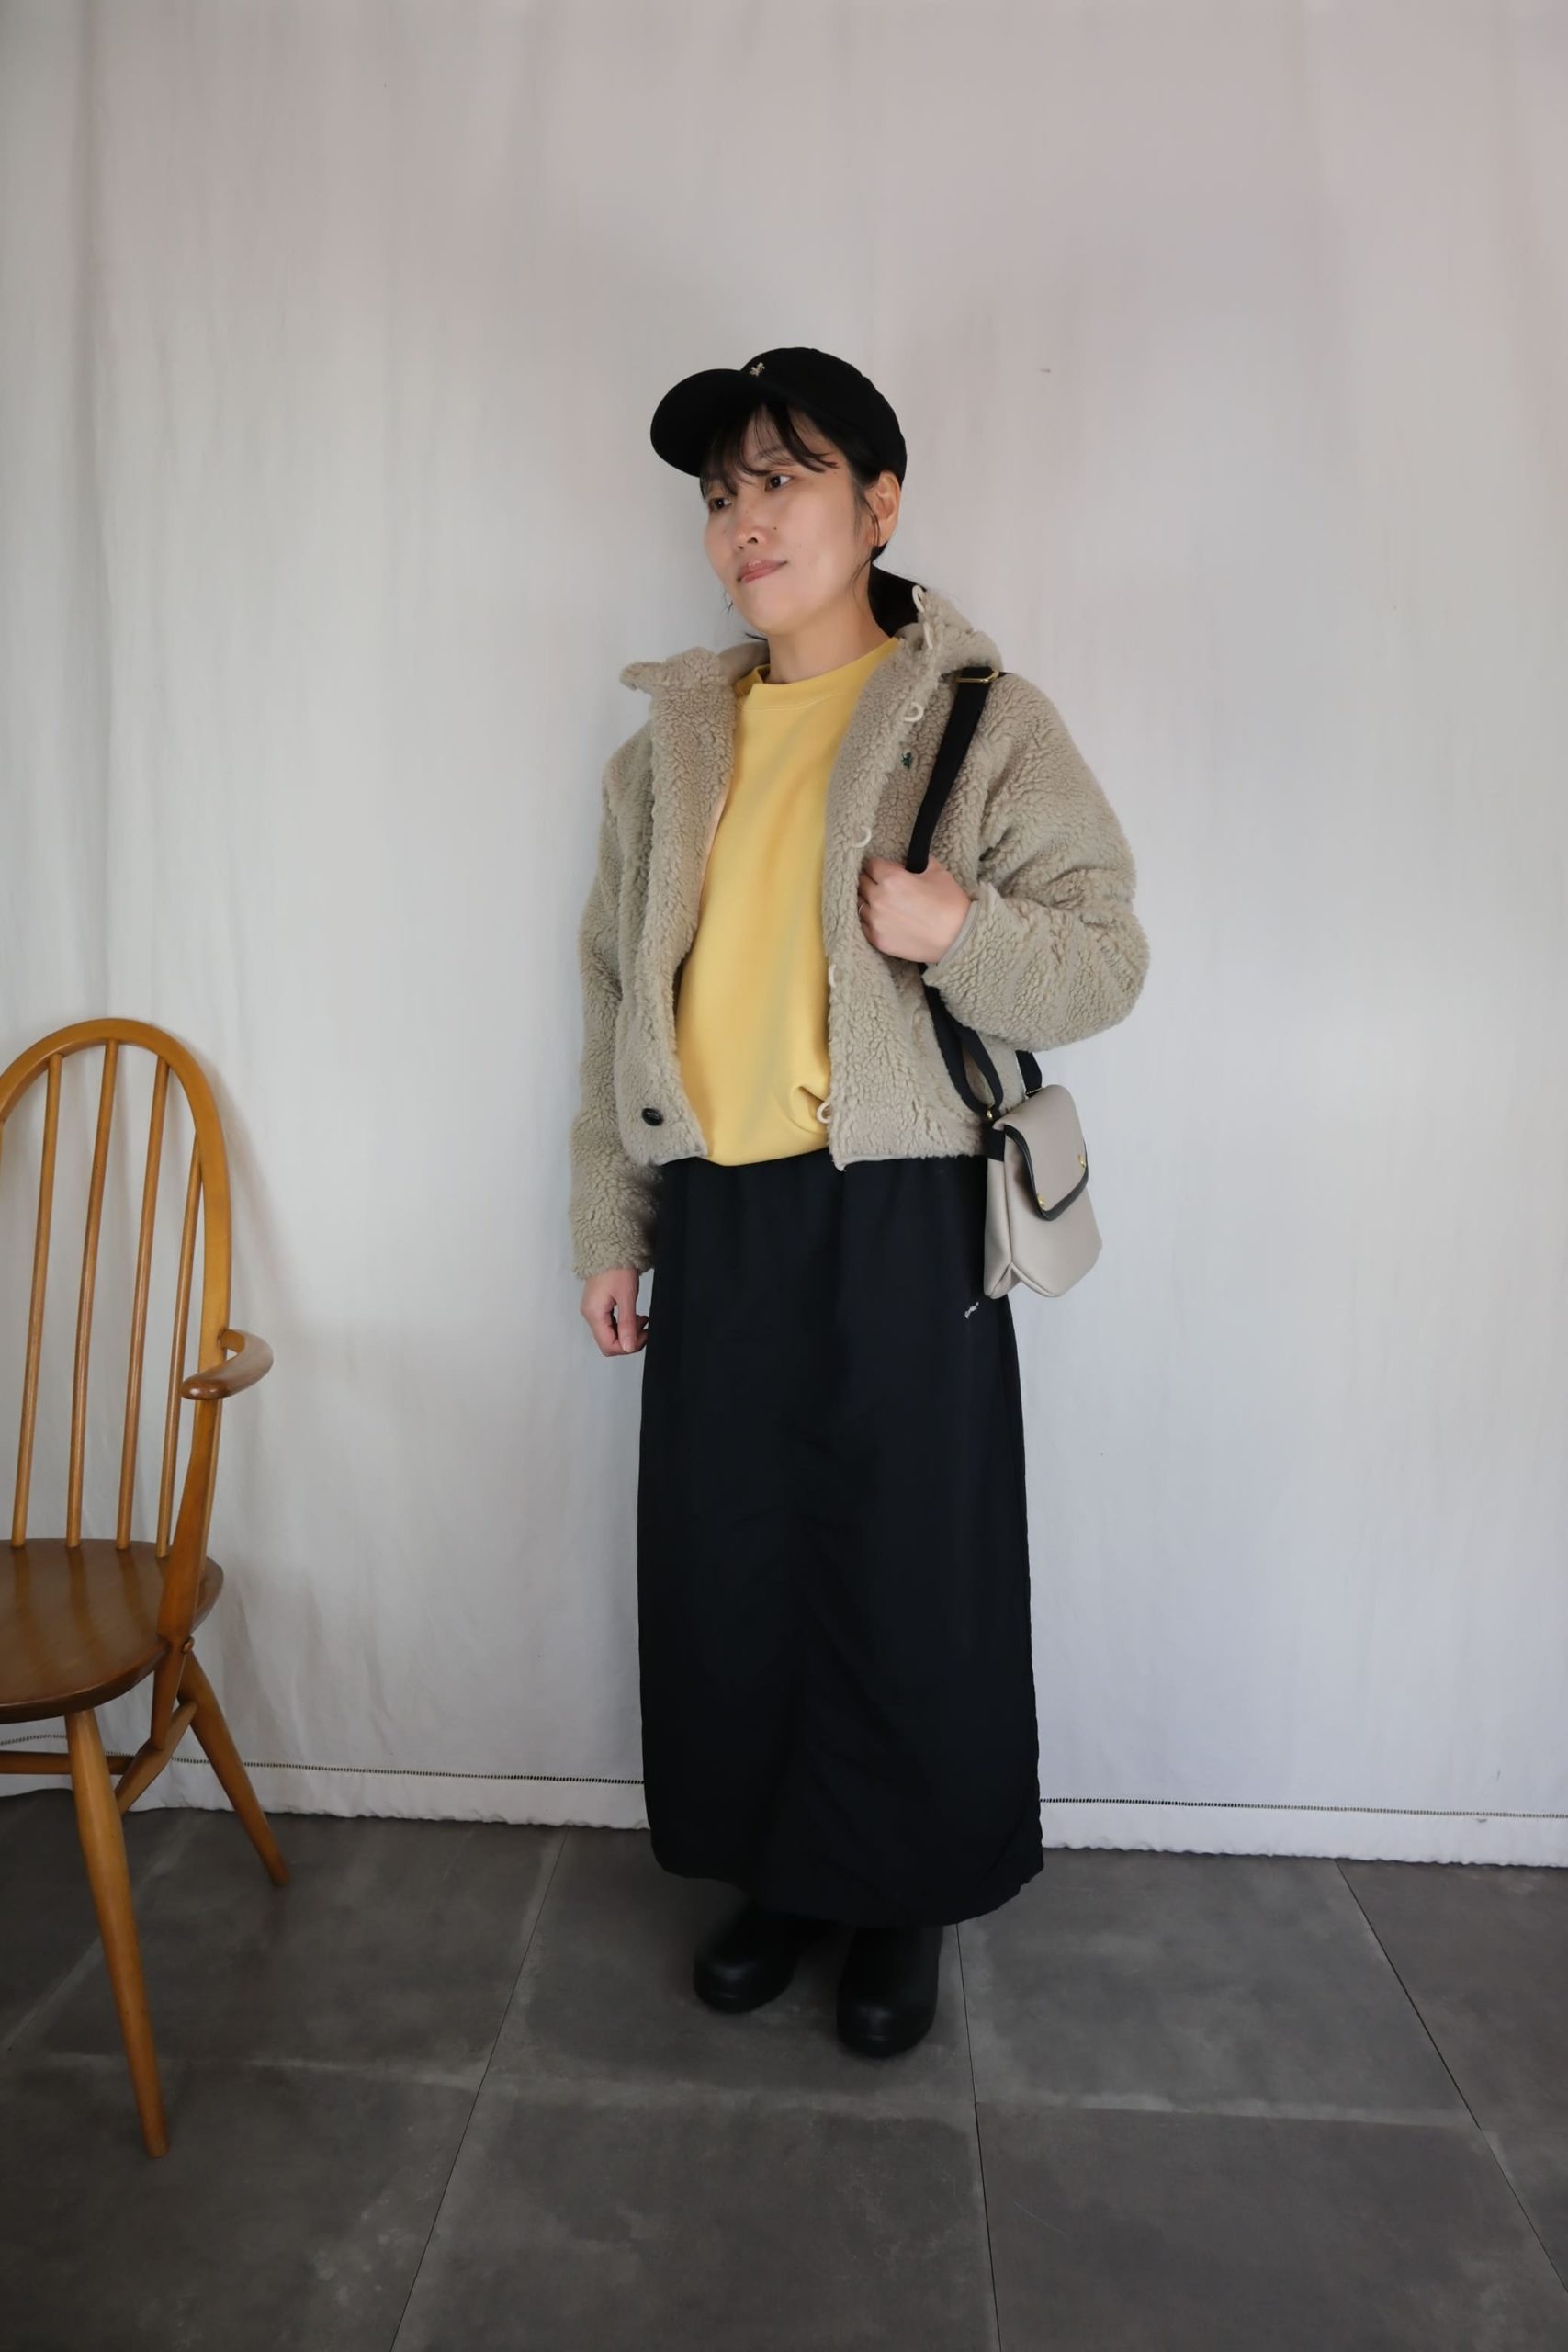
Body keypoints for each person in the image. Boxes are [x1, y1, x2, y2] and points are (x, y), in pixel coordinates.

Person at [569, 346, 1149, 2058]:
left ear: (879, 503)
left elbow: (1106, 958)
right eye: (720, 494)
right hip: (722, 1212)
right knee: (733, 1563)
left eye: (784, 477)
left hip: (902, 1210)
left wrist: (956, 931)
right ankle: (783, 1870)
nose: (744, 521)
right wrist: (612, 1222)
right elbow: (613, 999)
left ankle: (901, 1898)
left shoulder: (979, 717)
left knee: (906, 1568)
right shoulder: (666, 752)